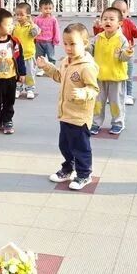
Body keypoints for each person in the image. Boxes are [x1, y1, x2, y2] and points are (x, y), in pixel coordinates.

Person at [38, 23, 100, 191]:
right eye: (65, 43)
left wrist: (82, 93)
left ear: (85, 43)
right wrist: (47, 67)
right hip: (65, 113)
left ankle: (84, 174)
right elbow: (59, 76)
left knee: (80, 147)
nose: (68, 48)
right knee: (65, 145)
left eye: (72, 44)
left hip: (79, 117)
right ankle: (68, 168)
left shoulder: (87, 66)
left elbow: (94, 89)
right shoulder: (66, 61)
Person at [89, 7, 133, 135]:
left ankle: (118, 123)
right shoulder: (98, 37)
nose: (108, 21)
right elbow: (90, 50)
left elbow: (123, 58)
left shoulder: (121, 39)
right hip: (99, 77)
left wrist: (128, 53)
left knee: (116, 103)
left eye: (111, 19)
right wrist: (85, 46)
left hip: (116, 78)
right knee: (97, 103)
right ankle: (95, 123)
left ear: (119, 23)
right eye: (105, 19)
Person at [93, 0, 137, 106]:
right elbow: (99, 34)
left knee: (128, 75)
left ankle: (128, 95)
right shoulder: (108, 23)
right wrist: (97, 27)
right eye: (118, 11)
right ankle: (111, 95)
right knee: (111, 75)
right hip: (112, 55)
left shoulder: (128, 23)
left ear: (127, 12)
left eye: (124, 11)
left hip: (127, 54)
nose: (121, 13)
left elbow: (135, 33)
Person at [12, 2, 41, 100]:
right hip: (17, 56)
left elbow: (35, 33)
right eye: (17, 15)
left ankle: (30, 89)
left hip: (28, 55)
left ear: (28, 15)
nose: (18, 17)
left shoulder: (30, 27)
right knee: (17, 73)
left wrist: (31, 22)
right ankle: (18, 88)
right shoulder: (15, 27)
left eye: (21, 15)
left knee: (29, 73)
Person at [33, 0, 60, 77]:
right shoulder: (37, 19)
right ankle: (43, 70)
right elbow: (34, 30)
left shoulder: (53, 19)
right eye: (45, 8)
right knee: (40, 57)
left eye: (50, 8)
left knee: (51, 56)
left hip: (49, 42)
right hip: (39, 41)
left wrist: (56, 40)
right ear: (40, 9)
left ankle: (52, 70)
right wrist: (33, 39)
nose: (48, 10)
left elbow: (56, 30)